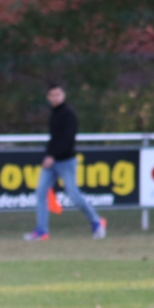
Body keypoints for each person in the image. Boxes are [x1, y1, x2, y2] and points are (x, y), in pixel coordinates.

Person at [24, 83, 106, 241]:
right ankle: (42, 230)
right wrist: (48, 155)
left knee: (74, 195)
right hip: (51, 162)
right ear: (48, 97)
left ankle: (96, 222)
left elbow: (68, 140)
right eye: (52, 95)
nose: (55, 98)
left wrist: (52, 156)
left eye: (58, 94)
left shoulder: (68, 113)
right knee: (41, 193)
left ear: (63, 95)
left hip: (66, 161)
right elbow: (54, 139)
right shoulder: (54, 113)